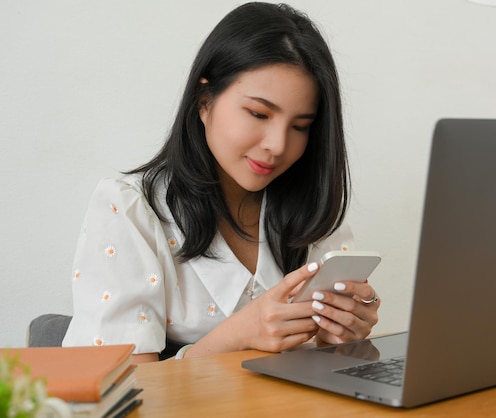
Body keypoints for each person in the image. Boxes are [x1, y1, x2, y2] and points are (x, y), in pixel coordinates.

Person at [62, 1, 380, 363]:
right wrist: (236, 337)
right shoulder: (130, 210)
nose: (277, 145)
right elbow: (129, 392)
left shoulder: (313, 210)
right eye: (259, 113)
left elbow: (331, 366)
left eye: (300, 126)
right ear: (204, 100)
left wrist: (342, 334)